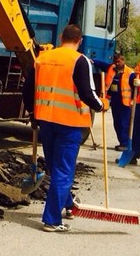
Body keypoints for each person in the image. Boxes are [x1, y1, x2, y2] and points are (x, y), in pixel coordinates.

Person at [23, 24, 107, 232]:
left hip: (46, 122)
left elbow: (27, 89)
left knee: (55, 166)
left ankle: (68, 204)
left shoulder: (42, 58)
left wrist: (33, 114)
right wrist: (101, 105)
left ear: (61, 38)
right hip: (69, 123)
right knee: (63, 170)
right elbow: (87, 94)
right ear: (80, 41)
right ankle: (52, 220)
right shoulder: (80, 61)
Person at [105, 52, 134, 151]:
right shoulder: (113, 70)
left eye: (118, 61)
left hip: (125, 103)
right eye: (115, 62)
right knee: (117, 123)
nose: (116, 64)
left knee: (124, 123)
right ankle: (121, 142)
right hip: (115, 102)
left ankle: (125, 143)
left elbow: (135, 89)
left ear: (123, 61)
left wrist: (133, 100)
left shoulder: (130, 73)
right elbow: (102, 65)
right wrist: (93, 61)